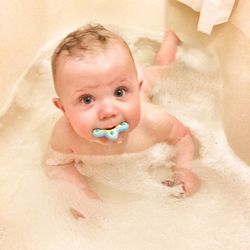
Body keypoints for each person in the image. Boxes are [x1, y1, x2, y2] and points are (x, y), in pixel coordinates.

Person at [45, 23, 200, 200]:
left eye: (120, 92)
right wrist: (81, 193)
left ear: (136, 87)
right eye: (87, 99)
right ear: (63, 109)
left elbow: (183, 138)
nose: (108, 111)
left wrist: (184, 170)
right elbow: (58, 165)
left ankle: (170, 40)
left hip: (146, 80)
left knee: (162, 70)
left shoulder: (152, 121)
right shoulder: (65, 135)